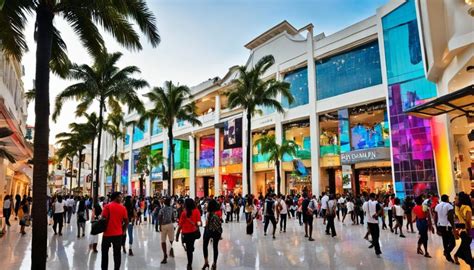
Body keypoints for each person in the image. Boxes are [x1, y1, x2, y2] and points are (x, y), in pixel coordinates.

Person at [101, 192, 128, 270]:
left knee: (105, 254)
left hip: (107, 234)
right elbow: (126, 221)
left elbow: (103, 219)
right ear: (116, 197)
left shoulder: (107, 207)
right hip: (118, 235)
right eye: (120, 197)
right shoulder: (123, 208)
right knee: (117, 254)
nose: (121, 198)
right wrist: (123, 230)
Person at [177, 198, 201, 270]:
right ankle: (191, 249)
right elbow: (199, 222)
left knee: (189, 249)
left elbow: (180, 225)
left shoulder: (184, 213)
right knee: (191, 246)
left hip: (186, 233)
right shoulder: (197, 211)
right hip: (193, 233)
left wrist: (177, 234)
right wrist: (198, 225)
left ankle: (189, 264)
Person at [434, 194, 456, 263]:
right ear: (447, 199)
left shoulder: (437, 206)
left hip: (441, 226)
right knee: (453, 243)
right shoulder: (449, 206)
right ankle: (446, 252)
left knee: (445, 241)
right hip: (447, 226)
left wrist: (436, 227)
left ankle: (448, 256)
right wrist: (453, 226)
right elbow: (450, 217)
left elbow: (435, 217)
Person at [454, 192, 473, 267]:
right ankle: (471, 263)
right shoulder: (467, 207)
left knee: (465, 246)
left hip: (462, 231)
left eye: (456, 198)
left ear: (461, 199)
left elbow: (457, 219)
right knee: (466, 249)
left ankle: (457, 255)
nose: (455, 200)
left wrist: (457, 230)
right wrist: (470, 233)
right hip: (467, 230)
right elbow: (468, 222)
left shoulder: (457, 207)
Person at [202, 199, 223, 270]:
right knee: (215, 247)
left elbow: (207, 224)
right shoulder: (216, 214)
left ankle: (206, 262)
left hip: (208, 231)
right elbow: (219, 225)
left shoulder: (209, 214)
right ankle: (214, 263)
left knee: (205, 246)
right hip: (215, 233)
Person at [158, 197, 175, 264]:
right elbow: (173, 218)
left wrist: (159, 226)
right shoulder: (172, 209)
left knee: (163, 241)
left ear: (164, 203)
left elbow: (160, 218)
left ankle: (165, 255)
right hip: (170, 225)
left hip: (163, 225)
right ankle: (171, 250)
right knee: (171, 239)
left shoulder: (162, 210)